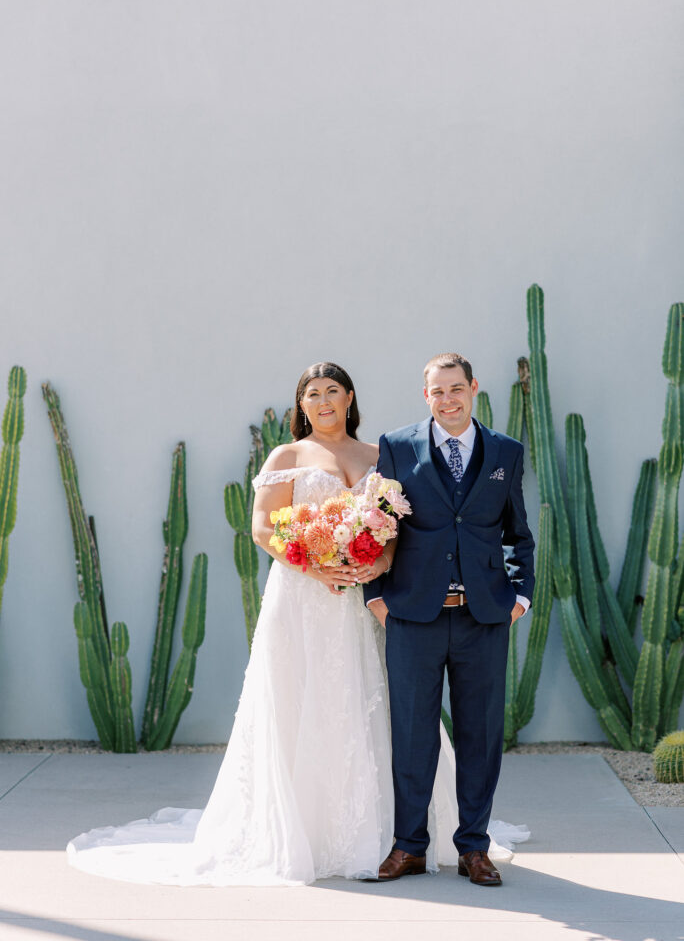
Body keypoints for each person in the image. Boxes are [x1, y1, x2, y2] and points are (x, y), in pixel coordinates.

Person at [67, 360, 528, 886]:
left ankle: (412, 837)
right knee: (311, 707)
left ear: (350, 397)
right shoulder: (288, 455)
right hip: (305, 598)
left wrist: (372, 571)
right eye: (313, 393)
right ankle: (327, 835)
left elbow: (403, 531)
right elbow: (263, 528)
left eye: (333, 390)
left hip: (364, 609)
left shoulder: (383, 454)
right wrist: (316, 563)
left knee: (372, 712)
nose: (324, 400)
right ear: (301, 404)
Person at [363, 352, 535, 886]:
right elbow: (376, 527)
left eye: (456, 389)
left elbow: (517, 534)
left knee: (481, 735)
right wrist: (376, 596)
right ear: (426, 396)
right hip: (413, 616)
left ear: (474, 388)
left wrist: (519, 598)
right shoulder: (397, 447)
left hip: (483, 617)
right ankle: (410, 846)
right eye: (437, 392)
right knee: (412, 733)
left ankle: (473, 848)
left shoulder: (505, 451)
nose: (448, 400)